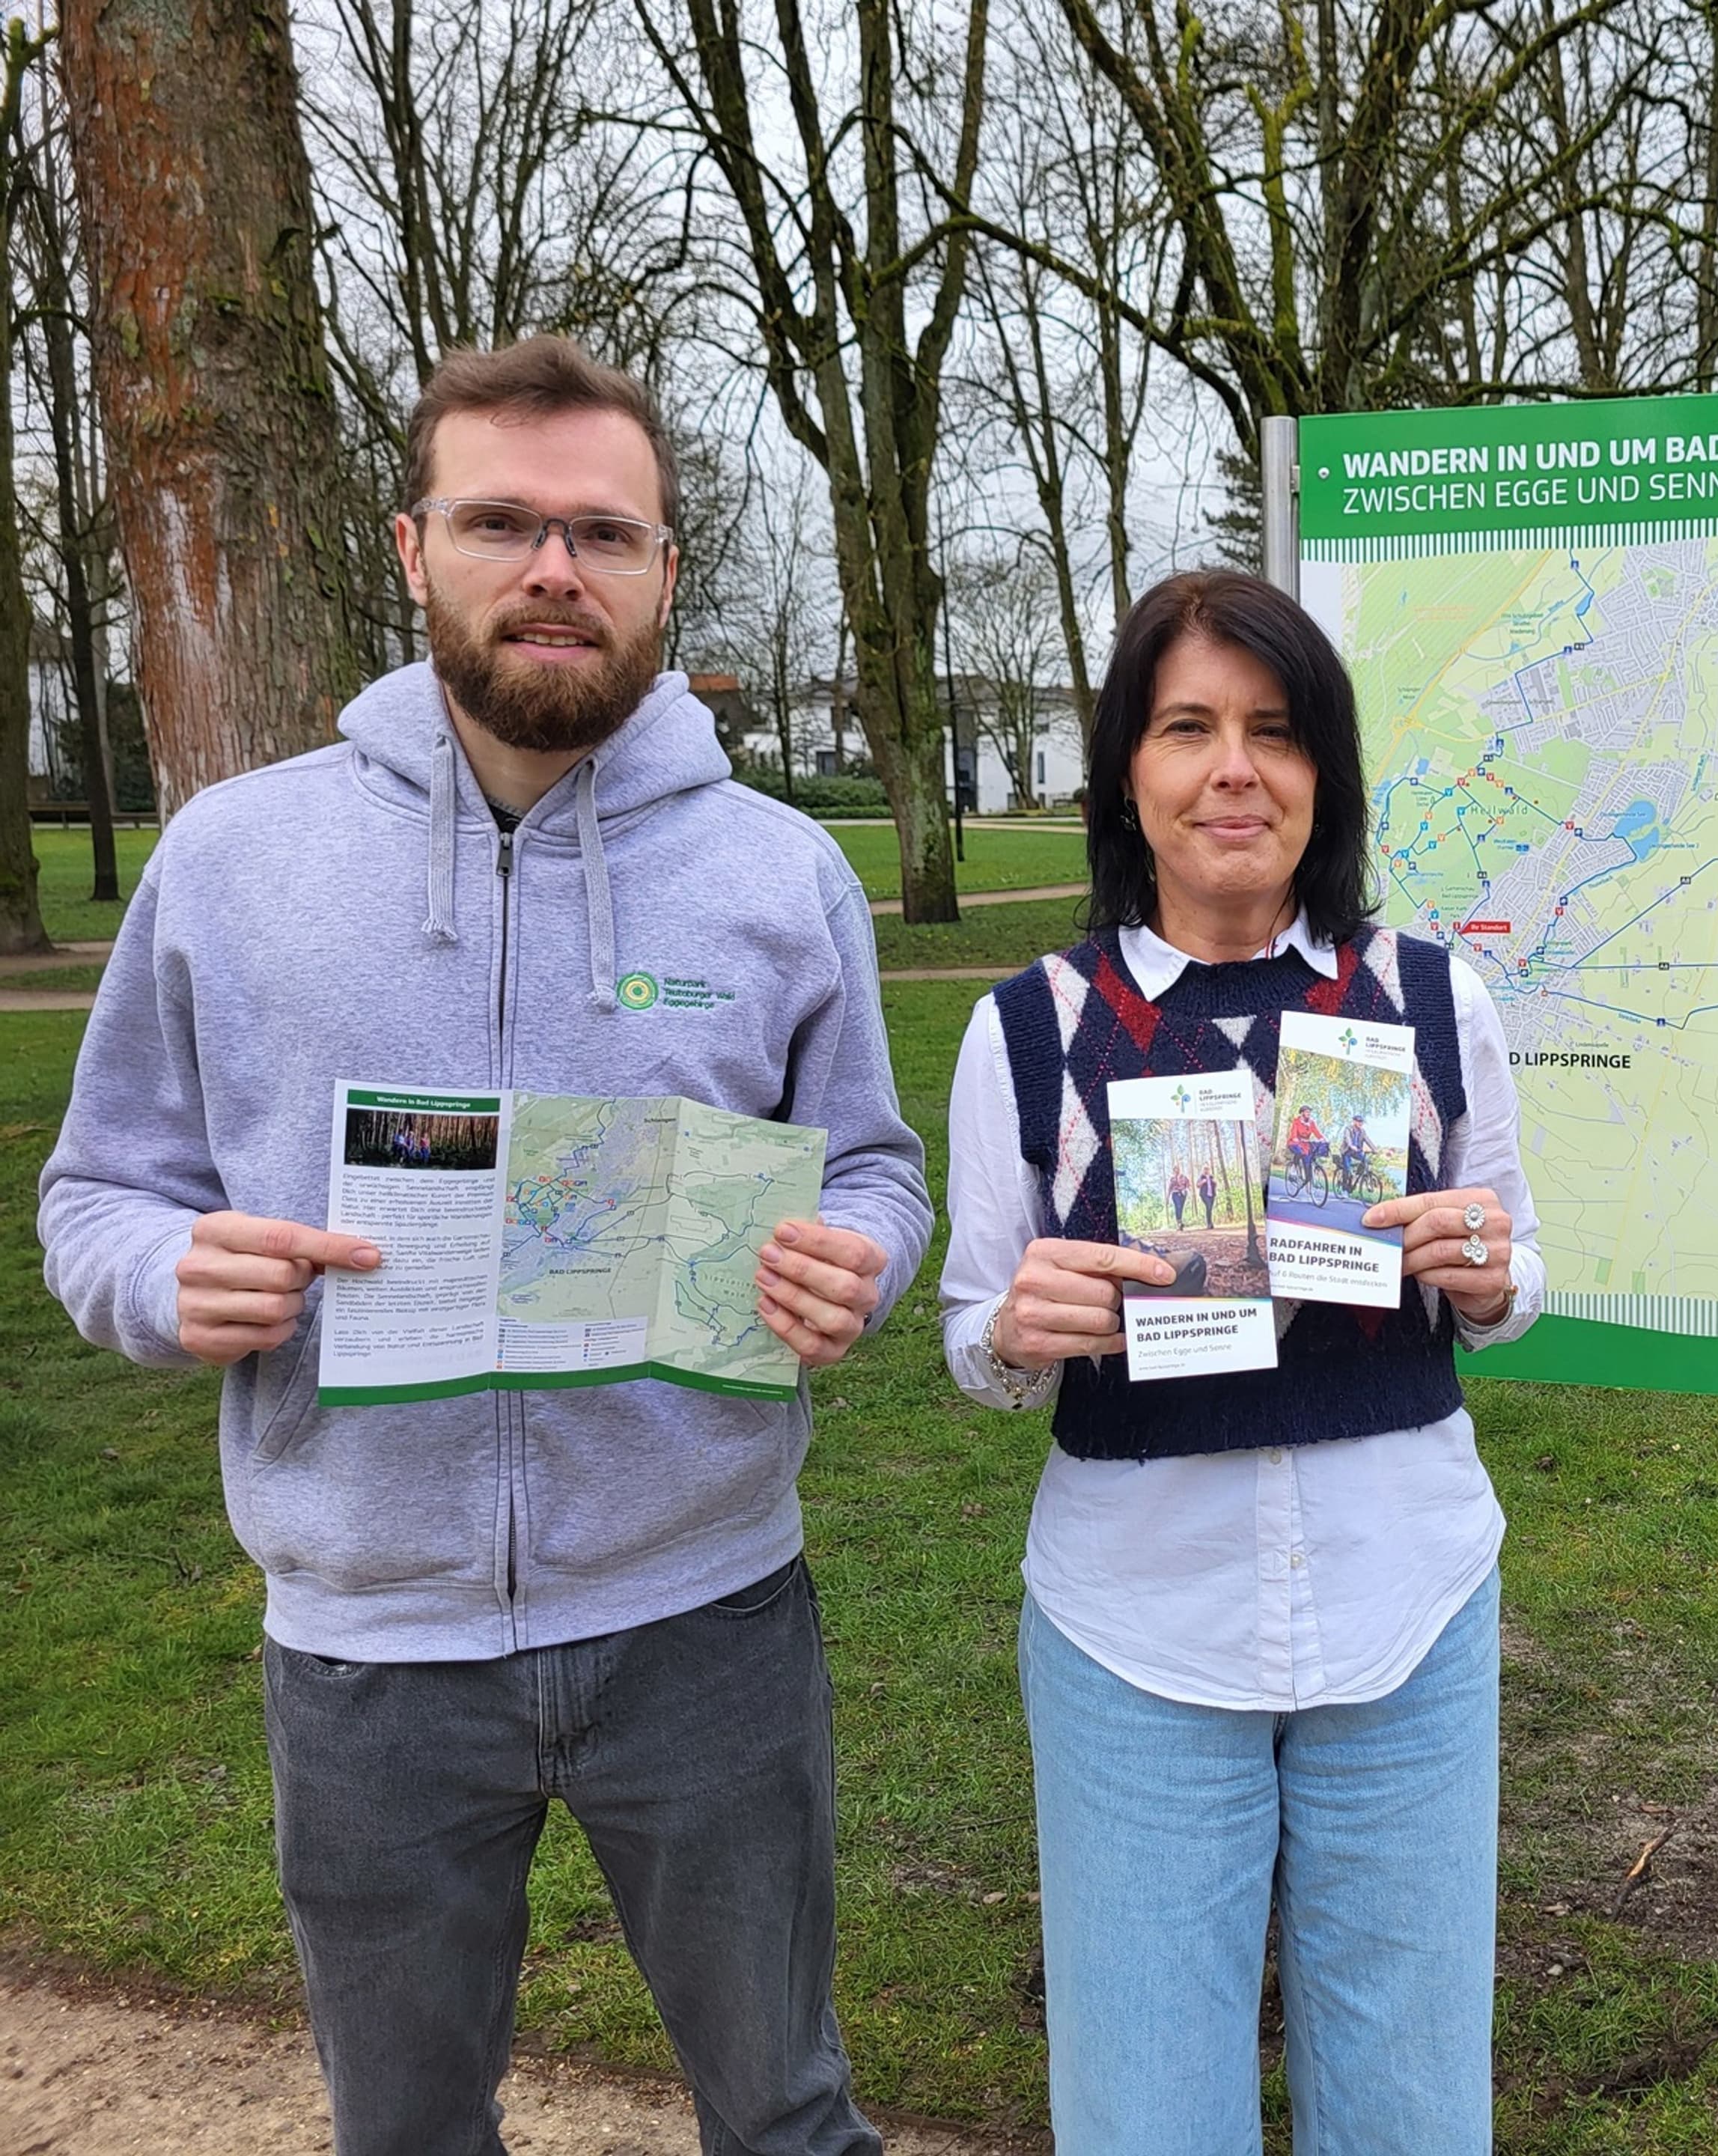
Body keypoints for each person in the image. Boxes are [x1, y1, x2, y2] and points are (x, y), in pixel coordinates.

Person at [37, 335, 933, 2156]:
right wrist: (162, 1278)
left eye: (604, 533)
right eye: (503, 523)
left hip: (706, 1619)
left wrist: (857, 1253)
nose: (553, 569)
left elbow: (876, 1168)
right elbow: (97, 1191)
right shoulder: (230, 858)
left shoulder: (778, 872)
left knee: (786, 2111)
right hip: (368, 1647)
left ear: (666, 572)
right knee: (410, 2134)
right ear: (412, 544)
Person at [939, 569, 1541, 2154]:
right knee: (1146, 2111)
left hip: (1410, 1612)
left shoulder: (1425, 999)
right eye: (1188, 726)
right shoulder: (1029, 1029)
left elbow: (1519, 1268)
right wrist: (1014, 1333)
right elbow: (971, 1333)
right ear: (1126, 773)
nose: (1233, 768)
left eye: (1275, 731)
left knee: (1412, 2104)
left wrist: (1488, 1272)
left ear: (1323, 770)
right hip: (1137, 1633)